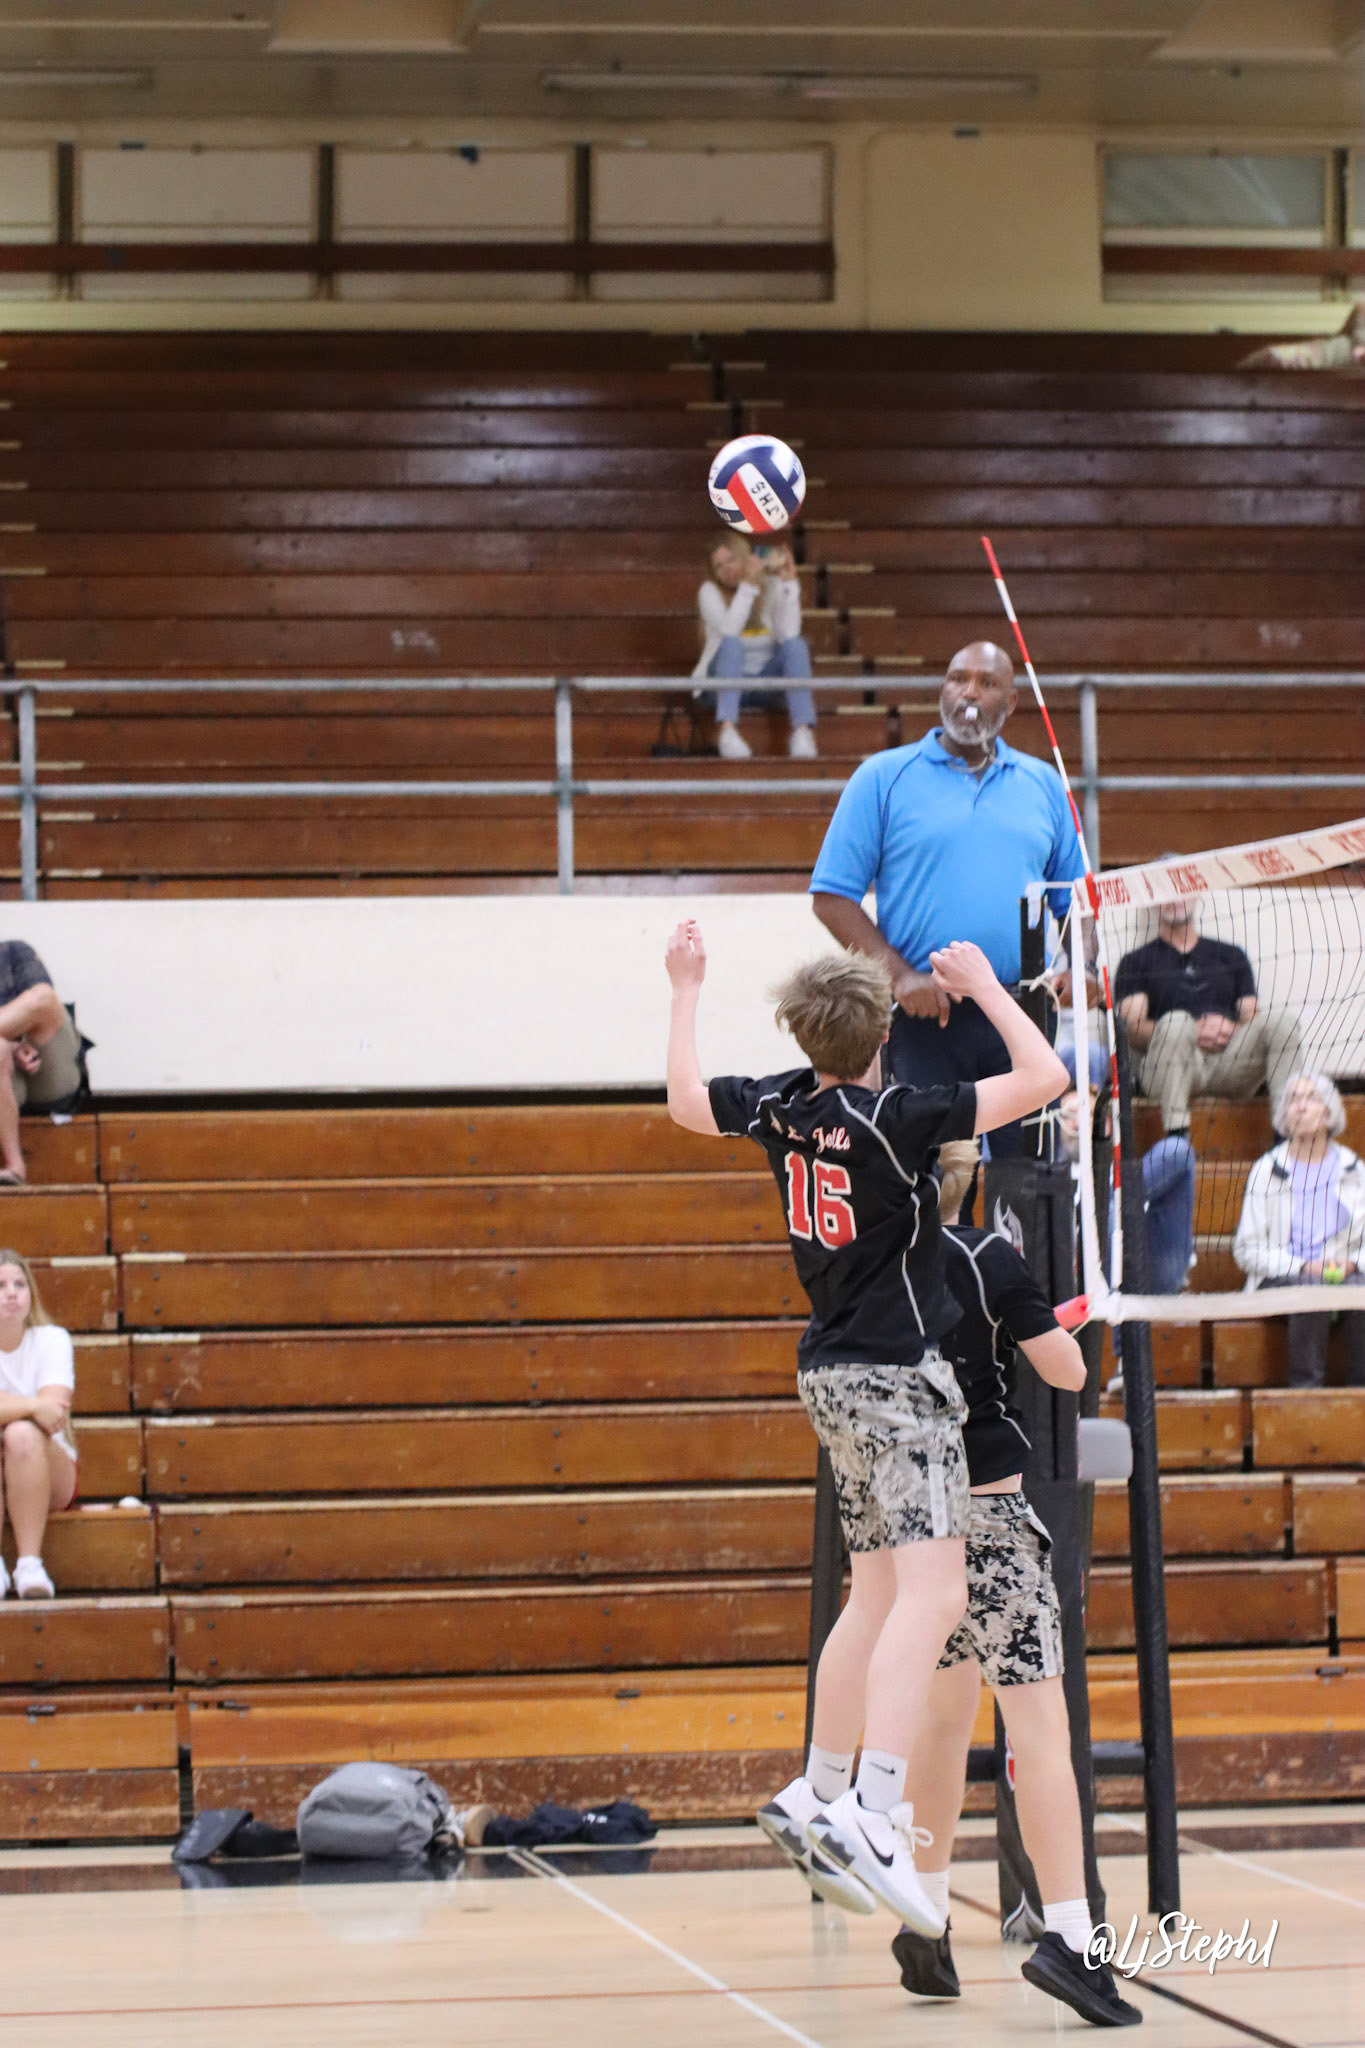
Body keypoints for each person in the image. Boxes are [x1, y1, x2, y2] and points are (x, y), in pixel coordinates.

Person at [664, 918, 1067, 1931]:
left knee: (877, 1590)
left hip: (829, 1374)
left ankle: (819, 1784)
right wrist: (987, 988)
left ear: (805, 1034)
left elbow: (684, 1103)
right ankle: (876, 1810)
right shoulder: (900, 1115)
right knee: (935, 1592)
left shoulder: (780, 1103)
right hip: (895, 1377)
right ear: (884, 1030)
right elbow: (1047, 1077)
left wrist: (685, 988)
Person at [892, 1140, 1141, 2029]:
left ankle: (924, 1918)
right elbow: (1065, 1373)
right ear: (968, 1180)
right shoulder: (987, 1256)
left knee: (941, 1718)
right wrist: (1043, 1321)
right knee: (1039, 1728)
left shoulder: (869, 1265)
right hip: (990, 1519)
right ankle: (1071, 1937)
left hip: (910, 1524)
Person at [809, 640, 1085, 1157]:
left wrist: (1083, 964)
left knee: (1027, 1179)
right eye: (958, 679)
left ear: (1011, 701)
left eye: (986, 683)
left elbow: (1075, 898)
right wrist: (899, 976)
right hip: (925, 1015)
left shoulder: (1044, 784)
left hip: (1022, 1011)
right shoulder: (883, 777)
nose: (969, 693)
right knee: (931, 1178)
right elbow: (831, 898)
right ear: (943, 689)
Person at [1114, 899, 1300, 1137]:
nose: (1174, 899)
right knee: (1177, 1022)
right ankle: (1177, 1138)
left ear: (1196, 893)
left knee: (1283, 1023)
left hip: (1228, 1064)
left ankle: (1287, 1137)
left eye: (1181, 891)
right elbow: (1132, 1029)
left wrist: (1229, 1028)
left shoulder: (1231, 955)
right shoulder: (1135, 962)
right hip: (1170, 1070)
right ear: (1153, 900)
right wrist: (1191, 1031)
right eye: (1165, 892)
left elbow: (1251, 1017)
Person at [1233, 1071, 1365, 1388]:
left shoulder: (1354, 1170)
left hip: (1343, 1277)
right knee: (1311, 1285)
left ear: (1329, 1112)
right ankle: (1304, 1394)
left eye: (1311, 1098)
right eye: (1293, 1099)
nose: (1301, 1106)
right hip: (1282, 1279)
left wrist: (1353, 1263)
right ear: (1284, 1114)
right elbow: (1247, 1250)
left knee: (1360, 1289)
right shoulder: (1266, 1171)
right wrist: (1303, 1265)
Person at [692, 532, 817, 761]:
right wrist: (747, 586)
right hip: (721, 685)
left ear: (745, 557)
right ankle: (727, 732)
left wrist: (789, 584)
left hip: (765, 683)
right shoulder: (709, 592)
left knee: (797, 645)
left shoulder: (771, 585)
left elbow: (789, 633)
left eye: (731, 560)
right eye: (718, 566)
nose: (727, 569)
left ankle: (802, 733)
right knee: (731, 644)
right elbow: (729, 631)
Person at [0, 1247, 76, 1598]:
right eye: (1, 1286)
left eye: (20, 1284)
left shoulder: (52, 1339)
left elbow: (54, 1413)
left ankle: (29, 1564)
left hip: (50, 1468)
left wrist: (11, 1409)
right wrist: (32, 1405)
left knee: (20, 1434)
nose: (11, 1293)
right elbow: (42, 1408)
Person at [0, 939, 86, 1187]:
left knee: (43, 999)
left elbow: (43, 1003)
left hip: (47, 1067)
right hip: (7, 1082)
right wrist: (10, 1047)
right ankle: (15, 1166)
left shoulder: (13, 952)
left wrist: (17, 1043)